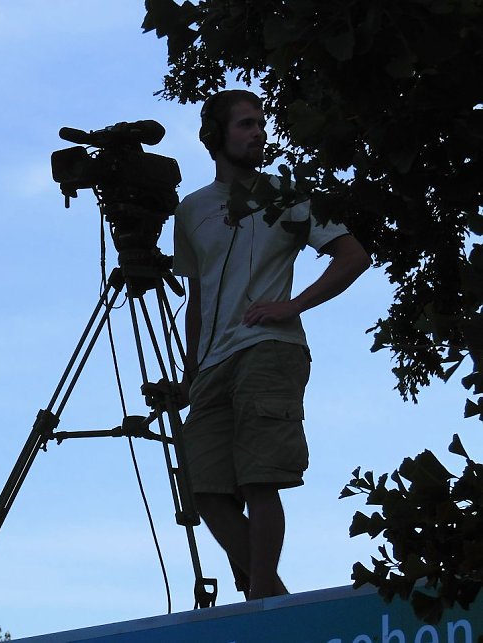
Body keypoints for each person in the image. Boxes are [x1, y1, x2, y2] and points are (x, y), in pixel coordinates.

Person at [173, 89, 371, 600]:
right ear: (215, 136)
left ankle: (262, 602)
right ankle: (274, 598)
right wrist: (191, 369)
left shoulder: (286, 195)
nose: (258, 132)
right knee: (206, 491)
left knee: (260, 480)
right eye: (244, 124)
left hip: (268, 348)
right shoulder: (191, 210)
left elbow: (352, 256)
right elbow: (197, 298)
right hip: (212, 362)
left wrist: (294, 305)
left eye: (261, 123)